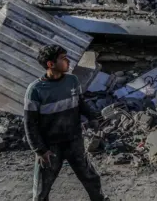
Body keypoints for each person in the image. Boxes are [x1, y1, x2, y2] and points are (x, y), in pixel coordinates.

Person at [24, 44, 107, 201]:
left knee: (90, 176)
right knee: (43, 187)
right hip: (50, 147)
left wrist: (93, 118)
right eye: (63, 58)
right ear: (50, 64)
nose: (68, 61)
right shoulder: (35, 90)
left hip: (74, 141)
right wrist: (40, 150)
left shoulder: (72, 81)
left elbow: (80, 103)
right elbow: (30, 124)